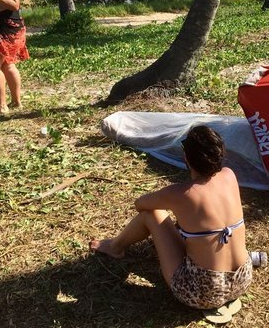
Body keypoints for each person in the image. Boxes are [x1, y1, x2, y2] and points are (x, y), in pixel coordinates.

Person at [90, 125, 253, 311]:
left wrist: (172, 202)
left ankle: (115, 247)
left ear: (187, 158)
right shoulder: (229, 175)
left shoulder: (182, 194)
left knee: (152, 214)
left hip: (202, 294)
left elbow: (140, 204)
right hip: (242, 278)